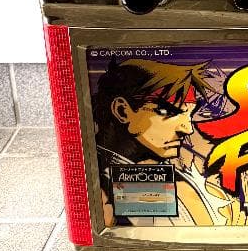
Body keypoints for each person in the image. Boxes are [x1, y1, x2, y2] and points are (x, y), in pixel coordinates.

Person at [93, 58, 228, 227]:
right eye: (168, 112)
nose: (187, 129)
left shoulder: (169, 175)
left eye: (189, 114)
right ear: (123, 111)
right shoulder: (103, 183)